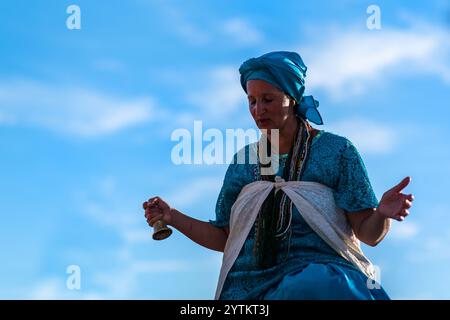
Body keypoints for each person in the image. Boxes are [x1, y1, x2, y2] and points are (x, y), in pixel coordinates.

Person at [143, 51, 414, 300]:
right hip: (249, 287)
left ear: (292, 98)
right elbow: (226, 237)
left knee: (311, 285)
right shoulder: (243, 163)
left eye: (268, 100)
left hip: (321, 280)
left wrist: (381, 214)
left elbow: (369, 235)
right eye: (251, 101)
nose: (258, 110)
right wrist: (172, 216)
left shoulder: (337, 151)